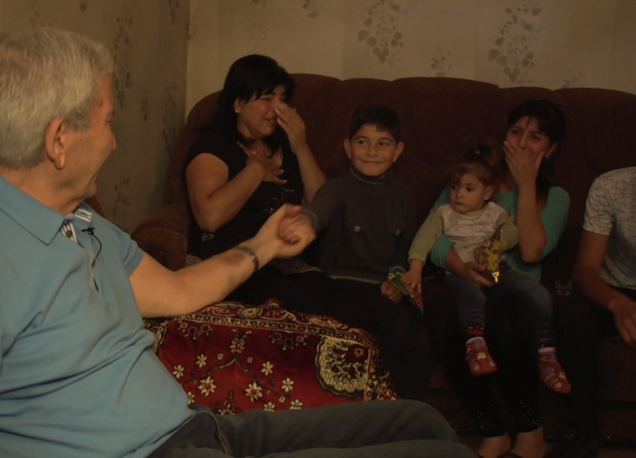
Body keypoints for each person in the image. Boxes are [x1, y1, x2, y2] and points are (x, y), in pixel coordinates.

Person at [0, 27, 479, 458]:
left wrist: (266, 245)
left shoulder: (80, 221)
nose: (115, 142)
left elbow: (178, 289)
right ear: (59, 141)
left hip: (199, 430)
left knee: (422, 420)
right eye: (109, 121)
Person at [427, 99, 570, 458]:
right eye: (516, 132)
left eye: (535, 137)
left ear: (550, 149)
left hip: (511, 286)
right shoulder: (470, 178)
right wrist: (462, 268)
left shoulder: (555, 197)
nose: (522, 143)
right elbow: (434, 235)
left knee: (504, 316)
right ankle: (492, 431)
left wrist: (525, 185)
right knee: (443, 311)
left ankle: (530, 433)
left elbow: (531, 251)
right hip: (461, 277)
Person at [279, 104, 433, 400]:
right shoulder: (337, 189)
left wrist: (398, 283)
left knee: (421, 335)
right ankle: (369, 409)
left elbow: (403, 251)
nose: (372, 151)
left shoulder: (404, 197)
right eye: (363, 142)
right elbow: (318, 212)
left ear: (398, 150)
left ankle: (403, 417)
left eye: (383, 143)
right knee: (394, 324)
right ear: (348, 148)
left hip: (382, 287)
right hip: (339, 284)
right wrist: (303, 223)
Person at [404, 143, 570, 394]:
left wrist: (496, 243)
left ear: (487, 192)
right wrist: (415, 268)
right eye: (455, 187)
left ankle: (547, 355)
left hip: (494, 268)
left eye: (469, 189)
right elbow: (423, 240)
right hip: (459, 273)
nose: (459, 194)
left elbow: (513, 233)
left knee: (537, 293)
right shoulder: (444, 214)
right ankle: (476, 346)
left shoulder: (496, 213)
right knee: (469, 296)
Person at [183, 54, 332, 315]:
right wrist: (255, 170)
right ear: (238, 103)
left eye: (282, 99)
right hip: (232, 264)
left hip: (289, 265)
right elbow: (209, 216)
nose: (277, 108)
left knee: (359, 312)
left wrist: (300, 146)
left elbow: (323, 203)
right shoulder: (213, 146)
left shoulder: (283, 144)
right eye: (267, 99)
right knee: (306, 311)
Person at [551, 166, 636, 458]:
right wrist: (617, 303)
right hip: (613, 288)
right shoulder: (612, 186)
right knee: (571, 315)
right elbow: (585, 271)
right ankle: (582, 434)